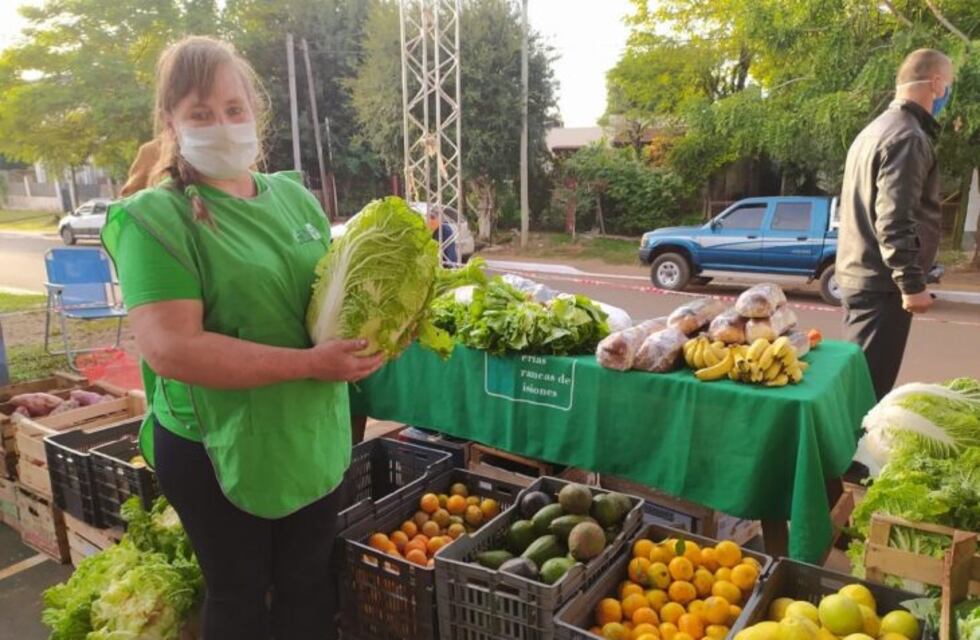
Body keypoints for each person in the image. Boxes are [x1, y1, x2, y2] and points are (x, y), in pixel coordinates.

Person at [100, 36, 383, 639]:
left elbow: (327, 303)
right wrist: (312, 365)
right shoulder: (156, 218)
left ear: (256, 113)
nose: (223, 125)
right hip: (217, 449)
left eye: (234, 109)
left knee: (308, 583)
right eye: (201, 113)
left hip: (308, 433)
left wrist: (369, 338)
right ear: (171, 121)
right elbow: (172, 348)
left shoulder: (293, 197)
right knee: (239, 597)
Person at [836, 48, 953, 401]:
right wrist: (910, 282)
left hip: (862, 274)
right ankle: (849, 457)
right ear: (935, 83)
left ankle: (847, 453)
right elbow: (894, 218)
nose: (947, 93)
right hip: (882, 284)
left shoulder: (874, 130)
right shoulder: (908, 137)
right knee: (865, 393)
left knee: (857, 382)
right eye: (948, 85)